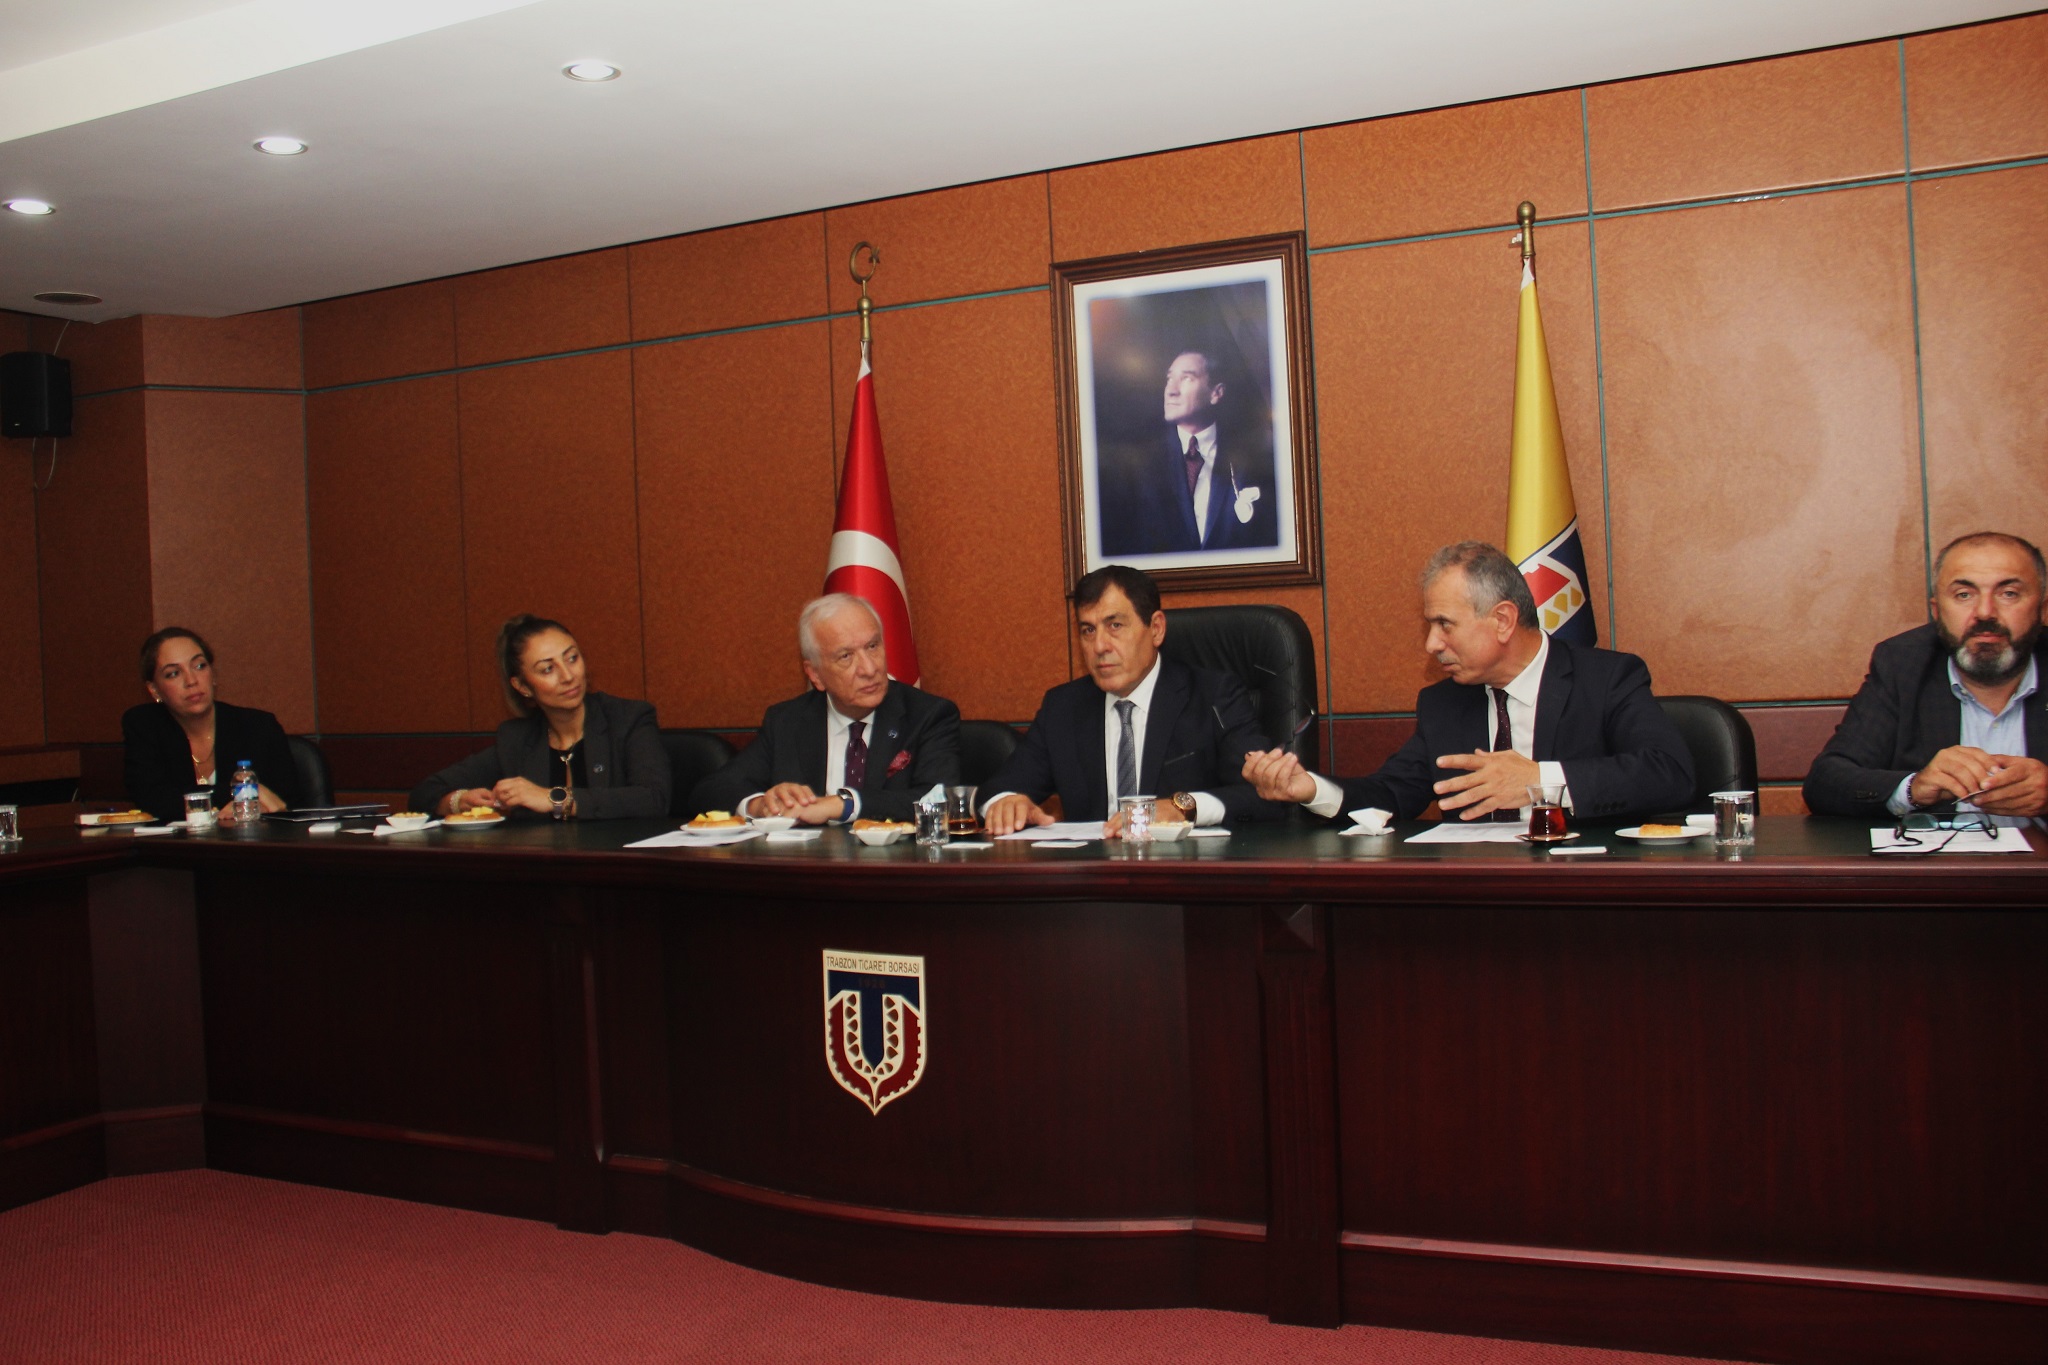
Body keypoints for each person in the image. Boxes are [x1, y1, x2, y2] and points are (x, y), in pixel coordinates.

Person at [1244, 542, 1694, 822]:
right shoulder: (1444, 704)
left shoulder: (1607, 679)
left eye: (1445, 624)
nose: (1432, 644)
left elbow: (1669, 773)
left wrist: (1539, 780)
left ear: (1502, 620)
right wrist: (1313, 790)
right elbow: (1392, 794)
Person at [981, 565, 1278, 835]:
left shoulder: (1214, 695)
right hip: (1093, 873)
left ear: (1156, 629)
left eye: (1115, 626)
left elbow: (1263, 794)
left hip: (1185, 870)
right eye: (1088, 630)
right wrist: (1006, 802)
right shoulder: (1063, 708)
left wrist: (1182, 807)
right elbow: (995, 790)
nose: (1099, 646)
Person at [1804, 531, 2048, 821]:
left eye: (2008, 594)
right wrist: (1913, 789)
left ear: (2042, 609)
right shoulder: (1903, 664)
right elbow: (1826, 783)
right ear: (1937, 611)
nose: (1985, 613)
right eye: (1964, 595)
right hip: (1941, 852)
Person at [687, 594, 961, 824]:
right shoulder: (787, 721)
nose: (869, 669)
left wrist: (843, 804)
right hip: (807, 867)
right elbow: (711, 791)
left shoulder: (927, 715)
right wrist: (760, 804)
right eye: (846, 656)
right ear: (815, 674)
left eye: (872, 646)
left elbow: (940, 800)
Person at [410, 615, 670, 820]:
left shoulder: (628, 719)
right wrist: (458, 801)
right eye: (547, 669)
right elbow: (424, 793)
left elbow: (654, 799)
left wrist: (554, 799)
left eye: (572, 658)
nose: (568, 676)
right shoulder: (516, 739)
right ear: (522, 686)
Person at [1098, 348, 1278, 556]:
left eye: (1186, 378)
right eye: (1169, 379)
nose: (1171, 391)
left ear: (1216, 393)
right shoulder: (1140, 465)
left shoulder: (1251, 458)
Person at [123, 627, 305, 823]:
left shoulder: (258, 727)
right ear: (154, 689)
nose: (191, 681)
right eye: (174, 673)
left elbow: (283, 803)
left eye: (200, 666)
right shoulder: (144, 725)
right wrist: (244, 794)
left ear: (213, 674)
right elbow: (153, 801)